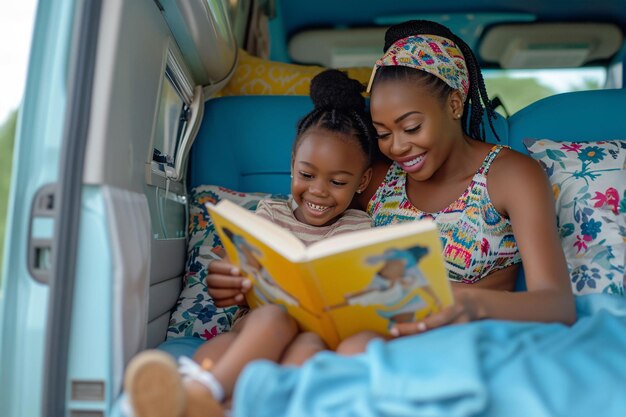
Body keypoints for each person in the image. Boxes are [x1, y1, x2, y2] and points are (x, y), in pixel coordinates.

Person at [206, 19, 576, 353]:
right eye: (383, 133)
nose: (398, 147)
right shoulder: (379, 179)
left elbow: (556, 304)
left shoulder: (511, 175)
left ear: (454, 104)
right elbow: (303, 222)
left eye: (411, 127)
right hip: (360, 337)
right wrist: (238, 273)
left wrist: (471, 302)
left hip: (455, 339)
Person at [123, 69, 377, 417]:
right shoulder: (269, 213)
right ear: (291, 166)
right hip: (258, 325)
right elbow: (230, 270)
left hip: (320, 334)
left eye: (337, 181)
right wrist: (225, 278)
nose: (318, 191)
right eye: (306, 175)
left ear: (362, 181)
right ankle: (194, 393)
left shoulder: (360, 227)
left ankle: (231, 407)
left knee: (309, 348)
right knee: (262, 324)